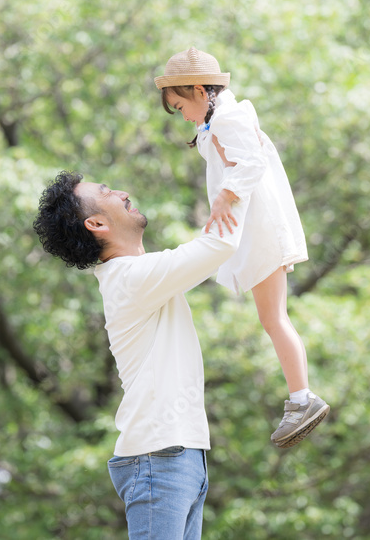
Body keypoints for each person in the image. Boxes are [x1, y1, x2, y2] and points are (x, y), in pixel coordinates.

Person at [33, 170, 248, 539]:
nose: (122, 191)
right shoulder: (130, 279)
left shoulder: (135, 277)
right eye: (106, 192)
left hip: (178, 455)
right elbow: (220, 245)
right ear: (96, 223)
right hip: (159, 458)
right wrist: (240, 179)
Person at [155, 47, 329, 449]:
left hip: (262, 231)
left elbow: (250, 162)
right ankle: (300, 397)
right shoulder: (220, 119)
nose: (182, 115)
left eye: (181, 105)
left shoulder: (230, 118)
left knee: (274, 318)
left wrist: (225, 195)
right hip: (257, 231)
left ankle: (303, 398)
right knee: (272, 317)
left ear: (200, 91)